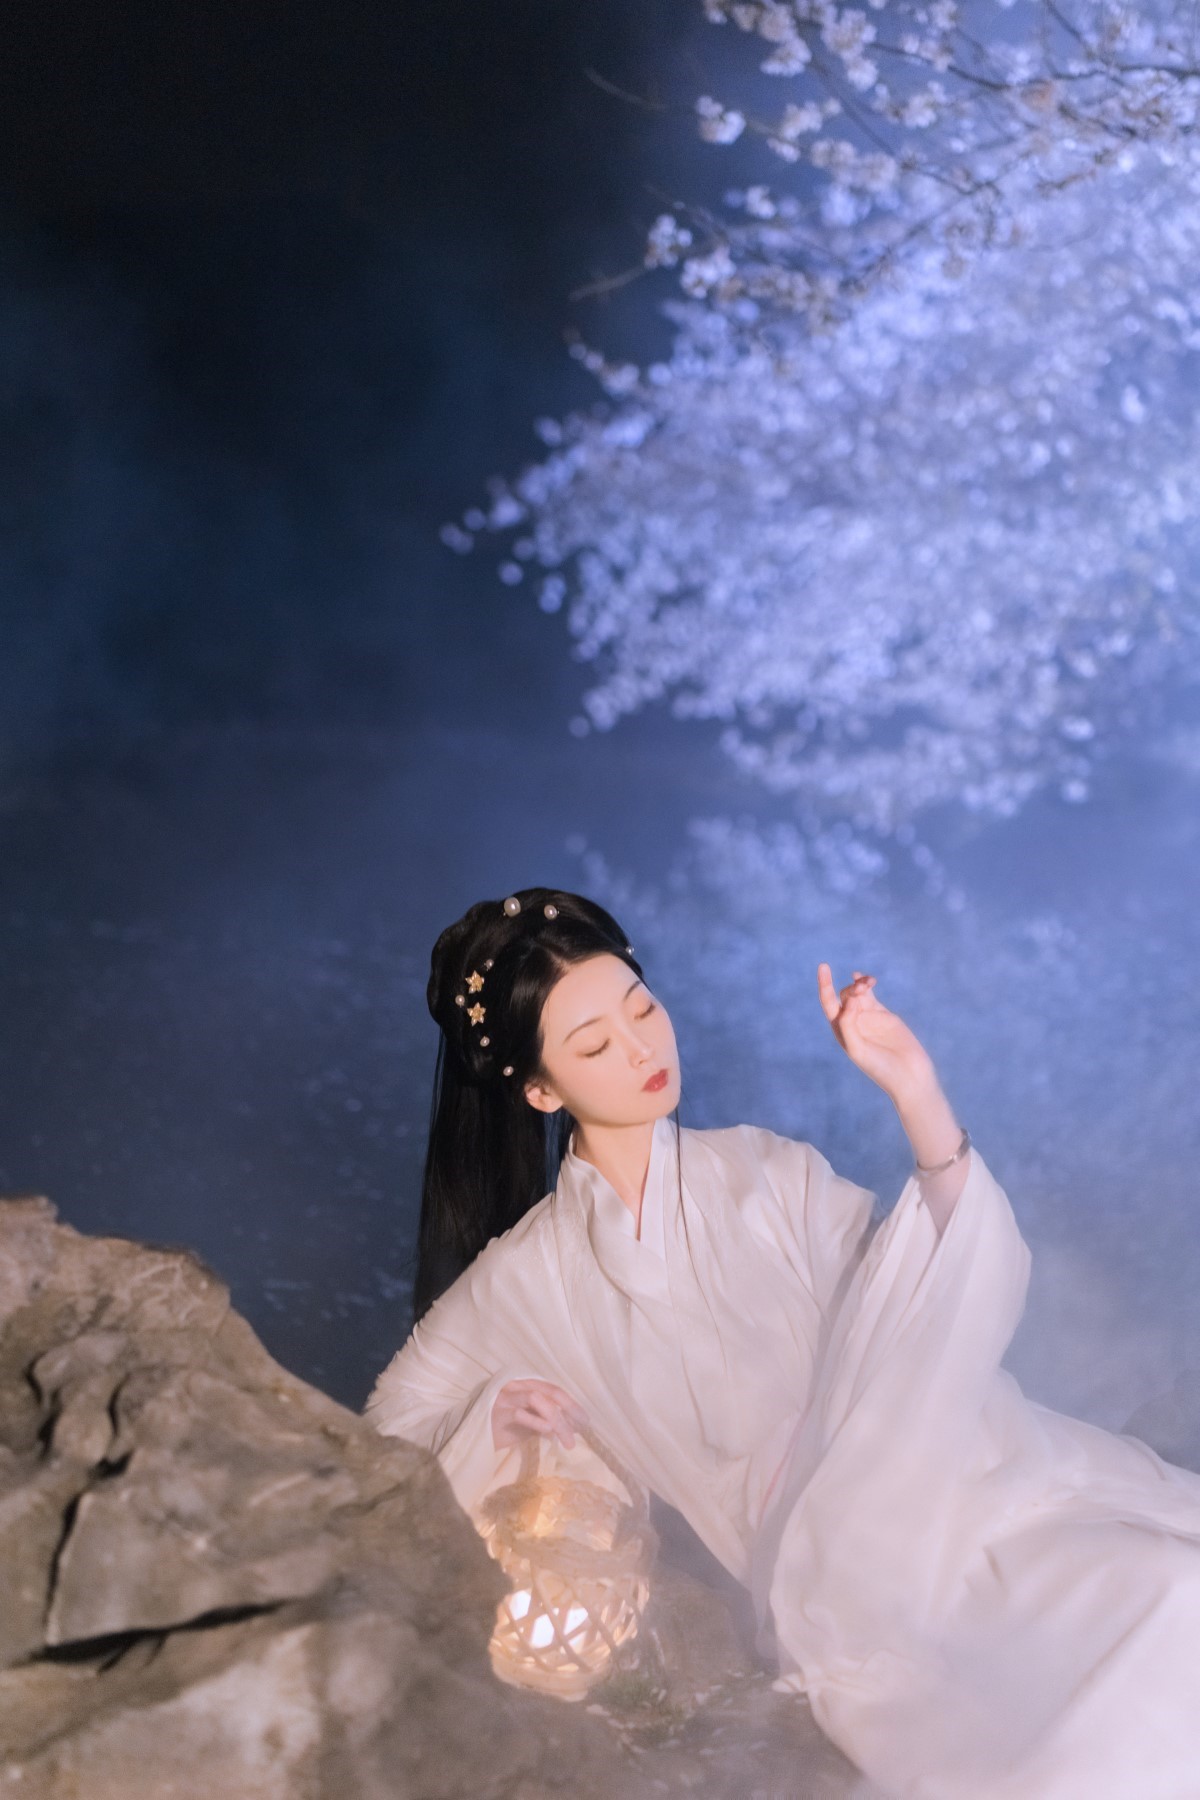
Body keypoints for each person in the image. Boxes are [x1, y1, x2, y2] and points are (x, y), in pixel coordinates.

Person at [364, 887, 1200, 1798]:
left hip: (950, 1477)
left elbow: (923, 1286)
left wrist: (915, 1090)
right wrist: (492, 1412)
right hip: (830, 1571)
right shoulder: (523, 1280)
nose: (642, 1049)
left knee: (1169, 1583)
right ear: (541, 1090)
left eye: (642, 1008)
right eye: (595, 1045)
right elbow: (386, 1427)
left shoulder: (764, 1171)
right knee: (1123, 1651)